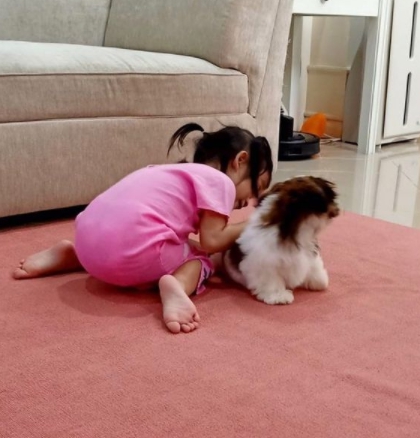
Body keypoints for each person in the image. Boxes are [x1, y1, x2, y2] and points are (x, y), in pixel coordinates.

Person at [13, 123, 273, 334]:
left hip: (87, 238)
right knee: (204, 258)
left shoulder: (169, 171)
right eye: (257, 187)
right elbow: (211, 241)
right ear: (240, 161)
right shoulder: (220, 182)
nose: (250, 201)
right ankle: (177, 286)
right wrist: (252, 222)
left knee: (169, 243)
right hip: (131, 255)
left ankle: (74, 255)